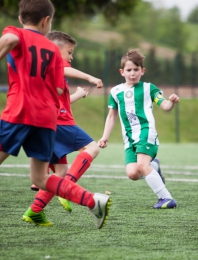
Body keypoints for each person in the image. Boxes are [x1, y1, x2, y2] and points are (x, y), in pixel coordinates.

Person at [0, 0, 111, 229]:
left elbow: (10, 40)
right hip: (45, 118)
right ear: (46, 20)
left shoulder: (14, 32)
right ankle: (93, 201)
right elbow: (58, 89)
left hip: (19, 111)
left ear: (21, 19)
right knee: (41, 179)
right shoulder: (51, 50)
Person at [27, 30, 104, 215]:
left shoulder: (46, 69)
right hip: (61, 123)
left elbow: (60, 100)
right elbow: (63, 68)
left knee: (60, 171)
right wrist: (90, 77)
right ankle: (67, 188)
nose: (71, 57)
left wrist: (77, 94)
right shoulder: (55, 64)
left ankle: (34, 211)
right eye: (69, 52)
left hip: (48, 124)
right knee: (92, 148)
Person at [98, 49, 179, 209]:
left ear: (143, 71)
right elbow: (112, 116)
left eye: (136, 70)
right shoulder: (115, 91)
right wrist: (104, 137)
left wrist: (171, 102)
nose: (133, 73)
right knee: (133, 174)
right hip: (129, 139)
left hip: (145, 133)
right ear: (122, 72)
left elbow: (164, 105)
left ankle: (166, 198)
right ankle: (154, 167)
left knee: (142, 166)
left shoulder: (149, 88)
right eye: (129, 70)